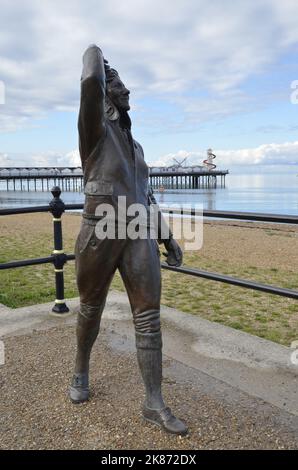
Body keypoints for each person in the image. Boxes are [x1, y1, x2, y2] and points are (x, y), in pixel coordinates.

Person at [69, 44, 188, 435]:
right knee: (90, 309)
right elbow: (89, 77)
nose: (127, 89)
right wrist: (98, 55)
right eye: (119, 83)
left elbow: (146, 196)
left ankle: (154, 403)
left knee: (149, 316)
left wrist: (167, 237)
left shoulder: (136, 148)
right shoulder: (95, 132)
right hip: (100, 231)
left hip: (137, 232)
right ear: (107, 94)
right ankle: (81, 369)